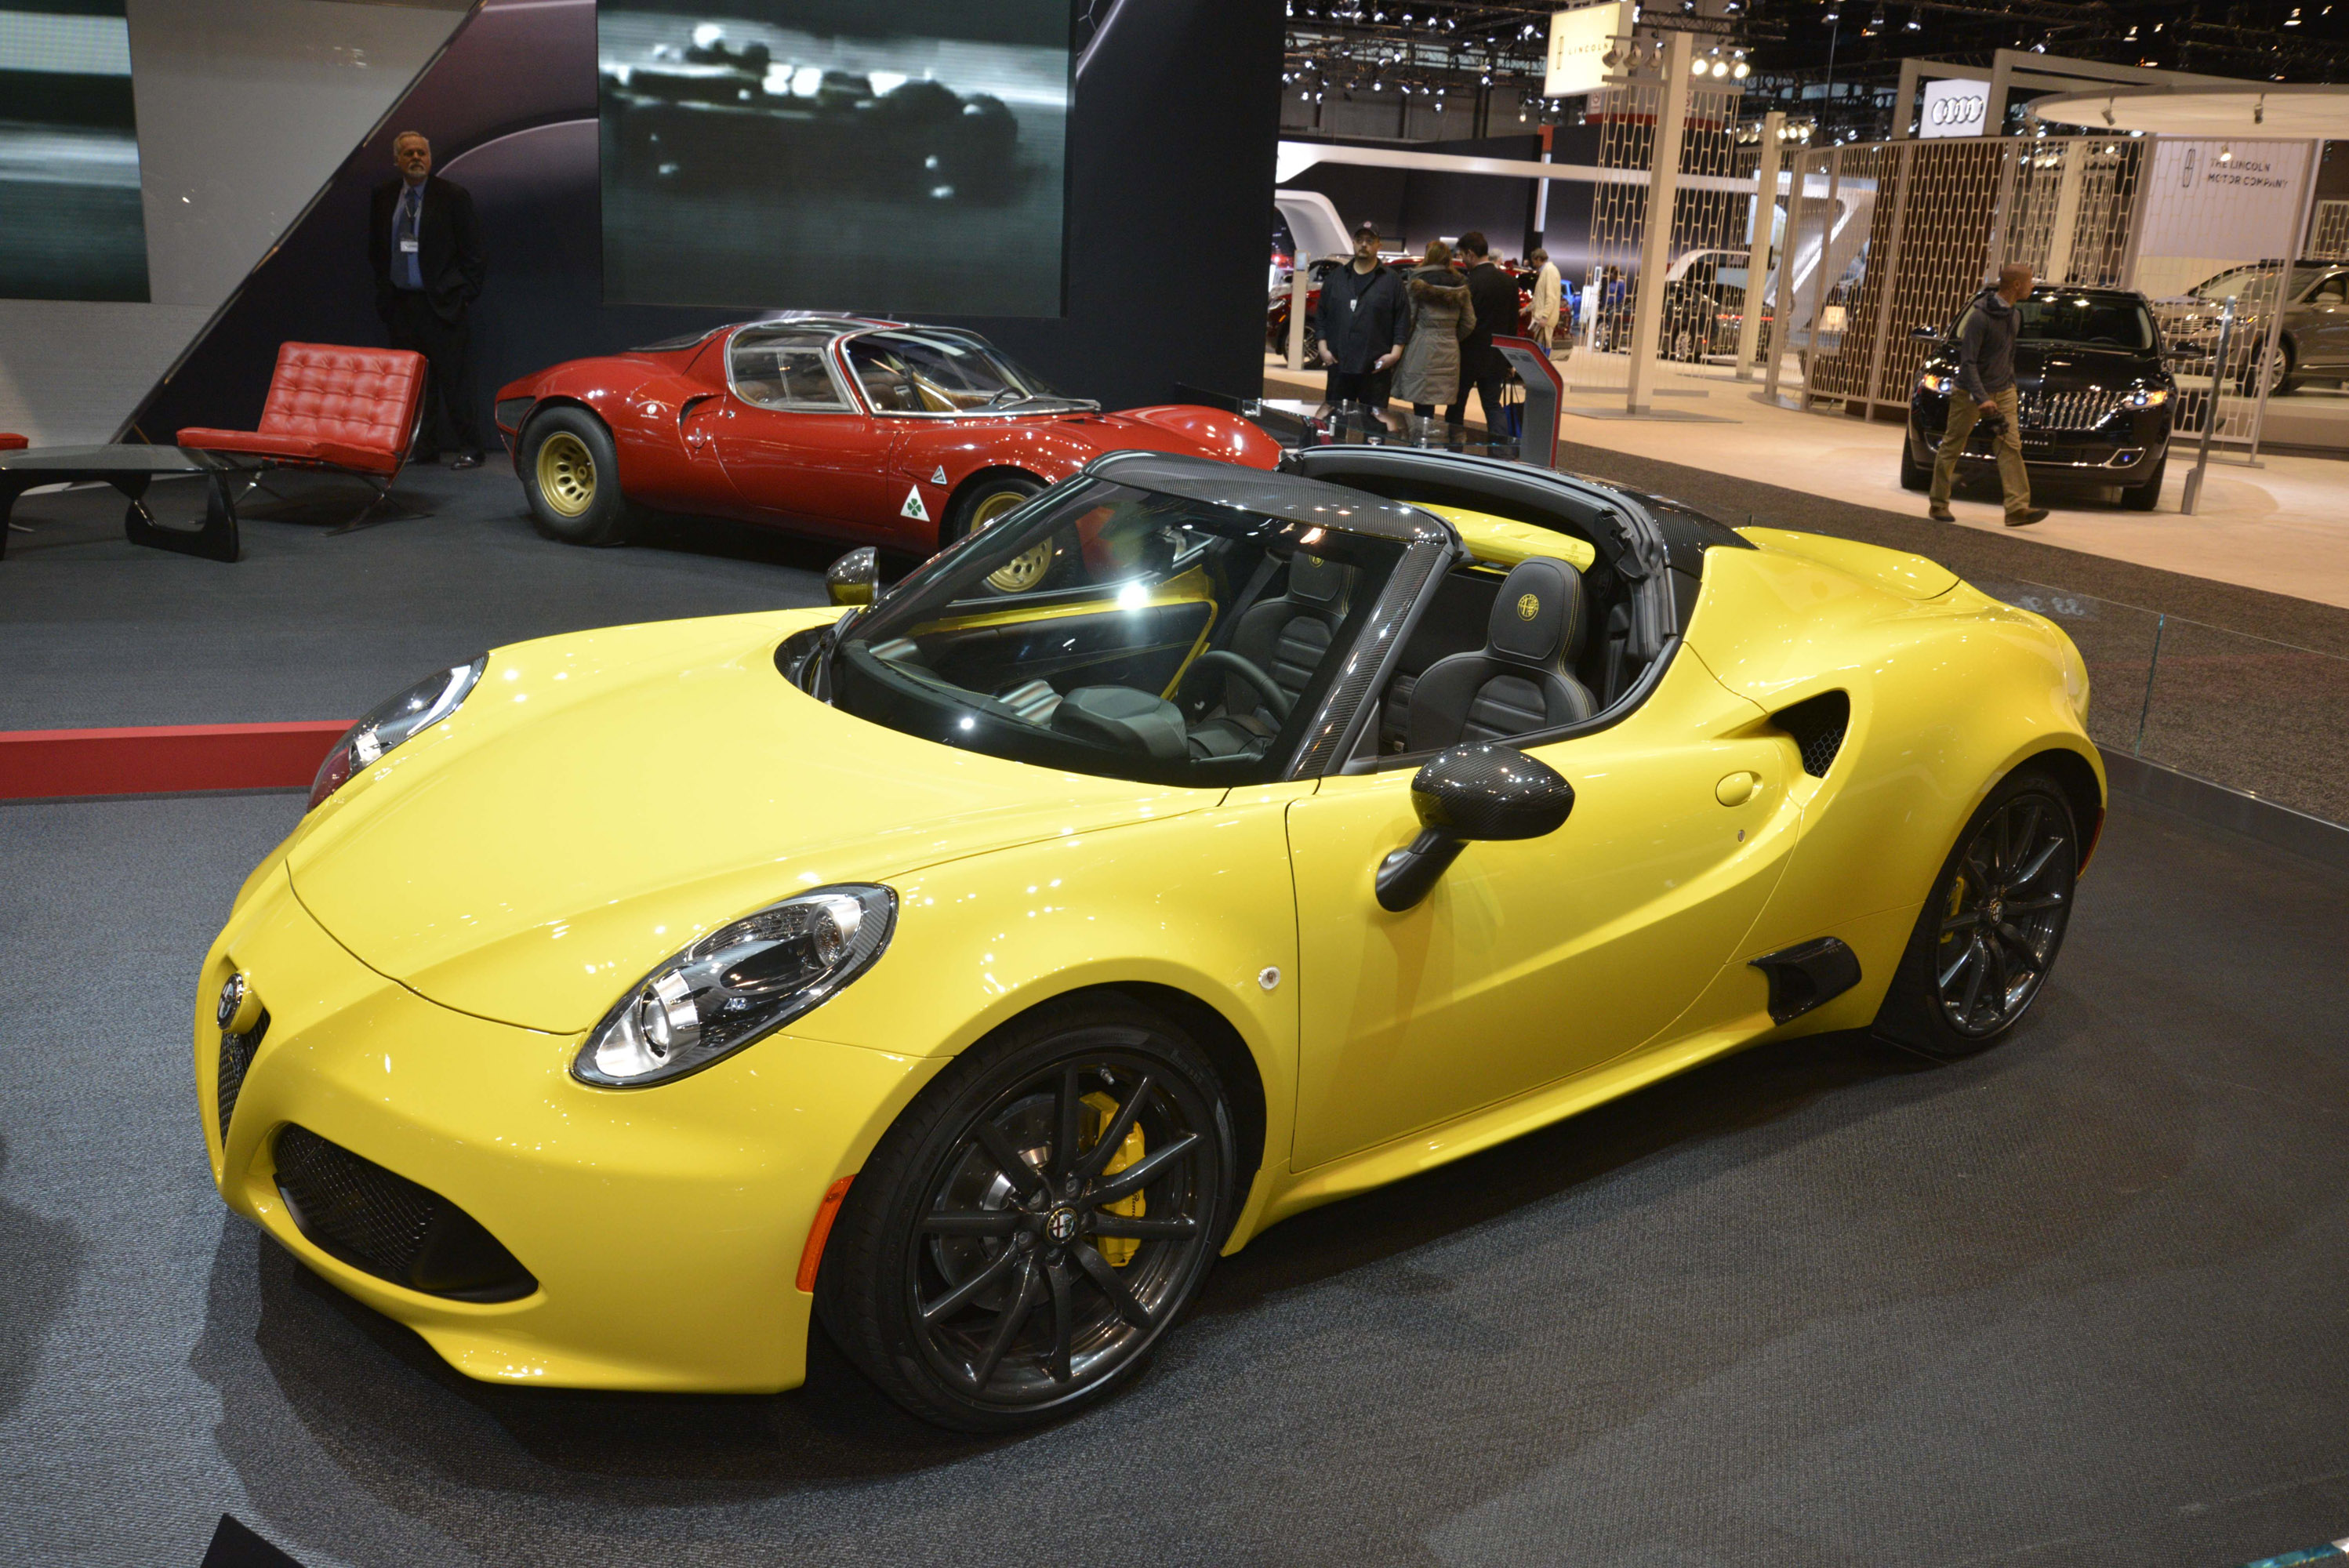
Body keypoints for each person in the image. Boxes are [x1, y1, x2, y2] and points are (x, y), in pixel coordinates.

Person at [370, 131, 488, 467]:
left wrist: (463, 295)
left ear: (430, 158)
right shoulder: (382, 197)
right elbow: (375, 252)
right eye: (408, 153)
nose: (416, 158)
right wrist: (385, 294)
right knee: (415, 384)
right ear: (397, 160)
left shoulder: (452, 196)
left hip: (443, 305)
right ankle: (424, 448)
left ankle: (471, 448)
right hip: (402, 306)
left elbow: (475, 254)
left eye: (421, 152)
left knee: (455, 380)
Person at [1930, 262, 2048, 527]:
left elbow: (2006, 357)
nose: (2033, 286)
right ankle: (1938, 503)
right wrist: (1982, 397)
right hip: (1969, 392)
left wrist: (2009, 386)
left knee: (2010, 446)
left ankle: (2017, 509)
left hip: (2003, 390)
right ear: (2016, 285)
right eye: (2030, 281)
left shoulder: (2015, 316)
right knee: (1952, 445)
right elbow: (1968, 363)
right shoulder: (1979, 318)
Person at [1313, 223, 1406, 423]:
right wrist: (1323, 349)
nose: (1364, 245)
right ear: (1353, 243)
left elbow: (1402, 320)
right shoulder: (1336, 279)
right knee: (1333, 426)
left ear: (1379, 245)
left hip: (1375, 369)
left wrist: (1395, 355)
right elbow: (1321, 316)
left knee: (1374, 430)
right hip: (1339, 365)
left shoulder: (1391, 281)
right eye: (1360, 240)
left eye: (1370, 241)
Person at [1391, 240, 1474, 434]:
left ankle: (1420, 444)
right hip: (1450, 350)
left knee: (1422, 402)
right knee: (1441, 398)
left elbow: (1409, 320)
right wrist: (1451, 337)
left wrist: (1403, 344)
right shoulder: (1461, 286)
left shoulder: (1417, 284)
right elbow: (1470, 323)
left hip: (1422, 347)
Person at [1451, 231, 1517, 434]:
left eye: (1462, 255)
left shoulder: (1468, 283)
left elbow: (1461, 321)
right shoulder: (1509, 283)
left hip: (1467, 355)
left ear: (1471, 254)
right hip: (1496, 356)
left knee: (1456, 406)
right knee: (1492, 406)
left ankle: (1453, 453)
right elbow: (1512, 326)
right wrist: (1508, 361)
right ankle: (1500, 455)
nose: (1462, 260)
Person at [1530, 247, 1563, 356]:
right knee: (1540, 350)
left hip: (1545, 321)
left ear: (1539, 259)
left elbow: (1551, 297)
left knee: (1542, 352)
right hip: (1542, 319)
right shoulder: (1546, 271)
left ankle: (1541, 372)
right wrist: (1526, 309)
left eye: (1534, 261)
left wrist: (1545, 316)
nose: (1533, 264)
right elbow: (1539, 298)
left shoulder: (1550, 271)